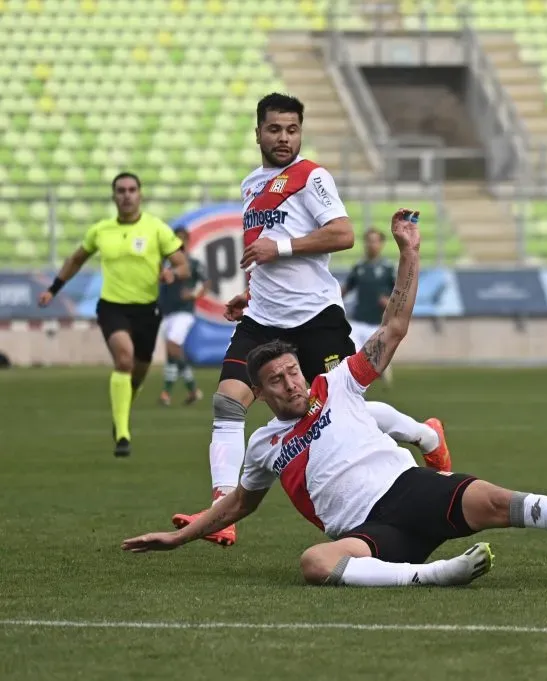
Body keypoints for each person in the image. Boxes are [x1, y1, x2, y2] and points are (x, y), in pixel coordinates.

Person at [122, 210, 547, 588]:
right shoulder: (263, 445)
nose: (291, 383)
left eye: (292, 373)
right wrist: (181, 538)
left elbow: (394, 326)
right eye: (278, 381)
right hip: (367, 532)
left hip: (408, 490)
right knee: (314, 563)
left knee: (498, 501)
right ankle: (434, 575)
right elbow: (239, 503)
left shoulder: (337, 384)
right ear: (258, 393)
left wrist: (410, 252)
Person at [172, 93, 450, 548]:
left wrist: (277, 249)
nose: (283, 138)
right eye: (275, 129)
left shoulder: (311, 177)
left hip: (316, 318)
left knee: (340, 413)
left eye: (292, 130)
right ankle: (222, 512)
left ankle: (424, 435)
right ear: (257, 131)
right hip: (264, 319)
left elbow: (342, 234)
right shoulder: (251, 185)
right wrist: (253, 291)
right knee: (227, 404)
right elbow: (266, 252)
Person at [38, 172, 190, 457]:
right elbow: (75, 259)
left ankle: (121, 413)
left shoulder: (156, 228)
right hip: (112, 307)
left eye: (132, 189)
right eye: (121, 190)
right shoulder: (100, 230)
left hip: (147, 309)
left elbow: (184, 265)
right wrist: (53, 289)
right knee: (124, 358)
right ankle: (122, 434)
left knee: (137, 374)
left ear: (140, 194)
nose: (127, 195)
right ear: (114, 196)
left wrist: (172, 273)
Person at [158, 227, 209, 406]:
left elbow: (206, 284)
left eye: (181, 240)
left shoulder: (193, 263)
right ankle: (167, 394)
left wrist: (194, 295)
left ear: (187, 242)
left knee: (173, 346)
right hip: (167, 311)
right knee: (171, 354)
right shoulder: (166, 263)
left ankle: (193, 388)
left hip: (184, 312)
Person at [342, 228, 397, 384]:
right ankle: (357, 387)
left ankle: (381, 370)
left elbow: (400, 293)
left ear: (381, 244)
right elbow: (347, 288)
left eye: (375, 241)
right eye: (369, 241)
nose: (371, 244)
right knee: (352, 355)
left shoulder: (388, 268)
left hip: (377, 323)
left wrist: (390, 303)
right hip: (358, 320)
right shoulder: (359, 267)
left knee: (375, 360)